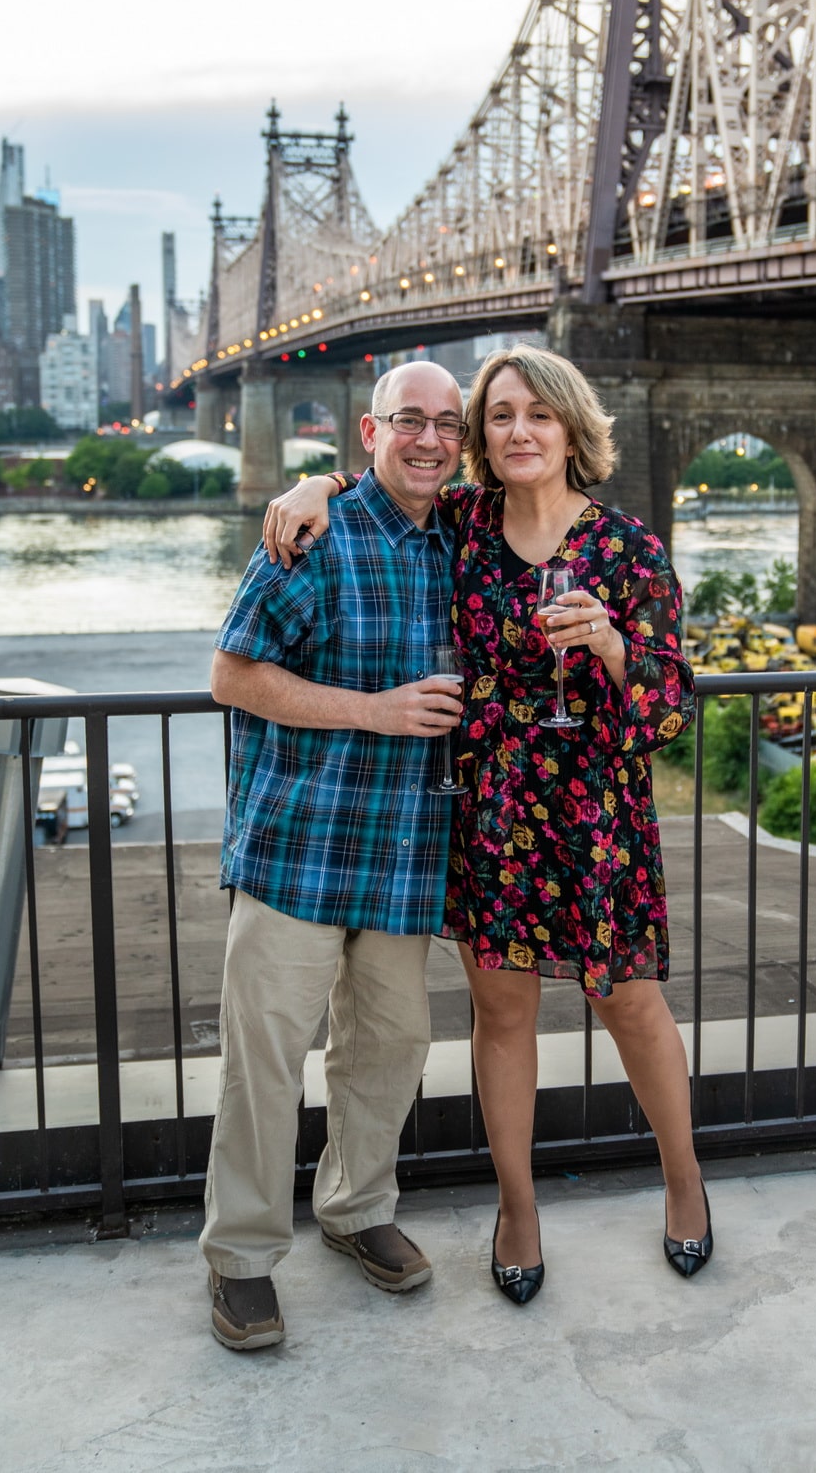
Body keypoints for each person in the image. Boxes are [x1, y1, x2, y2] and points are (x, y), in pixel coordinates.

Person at [263, 345, 709, 1307]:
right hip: (494, 815)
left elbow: (671, 708)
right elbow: (388, 477)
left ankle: (685, 1184)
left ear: (570, 429)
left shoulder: (628, 547)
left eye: (537, 415)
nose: (518, 431)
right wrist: (319, 481)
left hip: (598, 816)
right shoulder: (463, 524)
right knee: (502, 1017)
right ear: (479, 438)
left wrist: (613, 644)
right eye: (499, 416)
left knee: (630, 1004)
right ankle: (518, 1208)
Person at [201, 360, 467, 1351]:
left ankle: (355, 1210)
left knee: (390, 1048)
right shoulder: (310, 535)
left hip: (402, 854)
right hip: (299, 849)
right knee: (265, 1063)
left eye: (447, 423)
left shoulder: (467, 538)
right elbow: (231, 673)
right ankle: (241, 1258)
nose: (429, 439)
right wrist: (379, 713)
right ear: (370, 431)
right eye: (410, 420)